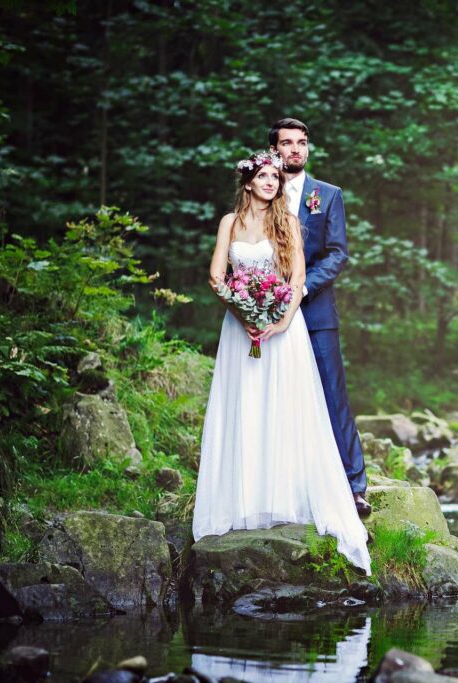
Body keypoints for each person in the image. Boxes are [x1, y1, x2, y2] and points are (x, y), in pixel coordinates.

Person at [191, 150, 371, 575]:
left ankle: (286, 497)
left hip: (281, 331)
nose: (272, 182)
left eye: (276, 176)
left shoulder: (288, 221)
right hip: (240, 331)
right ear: (249, 182)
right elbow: (218, 276)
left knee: (283, 409)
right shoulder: (229, 224)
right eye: (265, 176)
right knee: (245, 407)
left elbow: (296, 280)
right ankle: (243, 501)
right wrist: (243, 314)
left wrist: (278, 321)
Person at [269, 117, 371, 516]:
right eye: (287, 143)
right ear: (274, 150)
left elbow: (337, 252)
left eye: (302, 142)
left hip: (316, 314)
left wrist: (301, 287)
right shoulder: (262, 192)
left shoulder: (327, 196)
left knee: (332, 396)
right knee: (276, 398)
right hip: (269, 314)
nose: (296, 149)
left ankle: (354, 486)